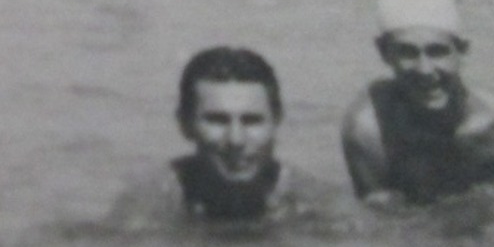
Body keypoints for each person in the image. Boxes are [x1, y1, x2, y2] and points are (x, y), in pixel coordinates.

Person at [340, 0, 494, 204]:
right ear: (384, 52)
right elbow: (381, 222)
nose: (425, 69)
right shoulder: (369, 131)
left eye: (437, 51)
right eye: (407, 52)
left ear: (462, 51)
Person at [108, 47, 343, 228]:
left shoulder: (320, 207)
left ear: (277, 121)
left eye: (252, 121)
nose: (236, 140)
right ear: (185, 125)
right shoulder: (150, 206)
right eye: (217, 121)